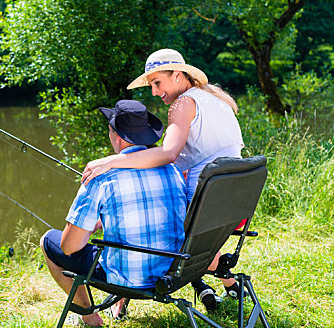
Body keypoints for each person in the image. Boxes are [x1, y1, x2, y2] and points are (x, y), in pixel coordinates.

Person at [81, 49, 245, 311]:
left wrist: (109, 162)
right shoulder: (215, 98)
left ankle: (120, 291)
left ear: (178, 75)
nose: (155, 92)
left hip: (199, 213)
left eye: (158, 83)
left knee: (141, 207)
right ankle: (227, 283)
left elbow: (168, 153)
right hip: (230, 208)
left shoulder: (183, 104)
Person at [40, 100, 187, 326]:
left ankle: (91, 319)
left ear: (116, 136)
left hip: (128, 279)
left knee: (49, 241)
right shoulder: (173, 171)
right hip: (171, 271)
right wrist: (103, 221)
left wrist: (86, 228)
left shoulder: (101, 177)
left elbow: (70, 247)